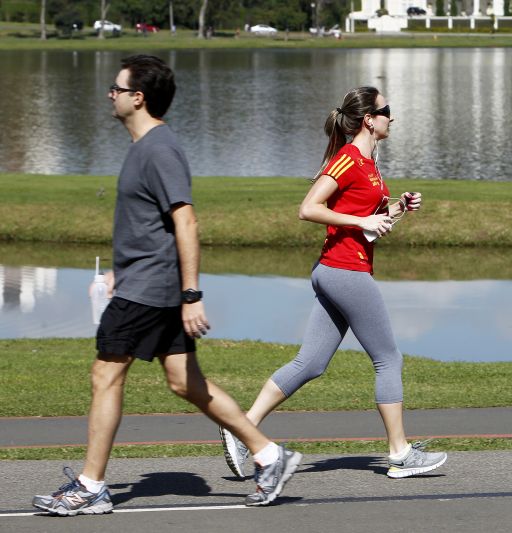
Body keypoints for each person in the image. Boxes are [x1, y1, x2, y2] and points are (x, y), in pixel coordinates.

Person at [31, 55, 302, 516]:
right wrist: (123, 269)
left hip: (152, 290)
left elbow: (186, 221)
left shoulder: (159, 148)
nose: (109, 95)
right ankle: (269, 455)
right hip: (145, 282)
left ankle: (91, 485)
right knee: (184, 382)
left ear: (138, 97)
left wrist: (191, 294)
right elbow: (151, 226)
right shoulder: (145, 147)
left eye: (116, 89)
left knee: (105, 373)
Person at [220, 86, 447, 480]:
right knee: (388, 359)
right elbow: (308, 209)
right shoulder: (348, 159)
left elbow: (367, 224)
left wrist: (395, 210)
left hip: (339, 268)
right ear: (368, 120)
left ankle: (241, 428)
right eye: (386, 111)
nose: (392, 117)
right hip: (345, 272)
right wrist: (363, 221)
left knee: (310, 363)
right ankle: (400, 453)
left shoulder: (370, 163)